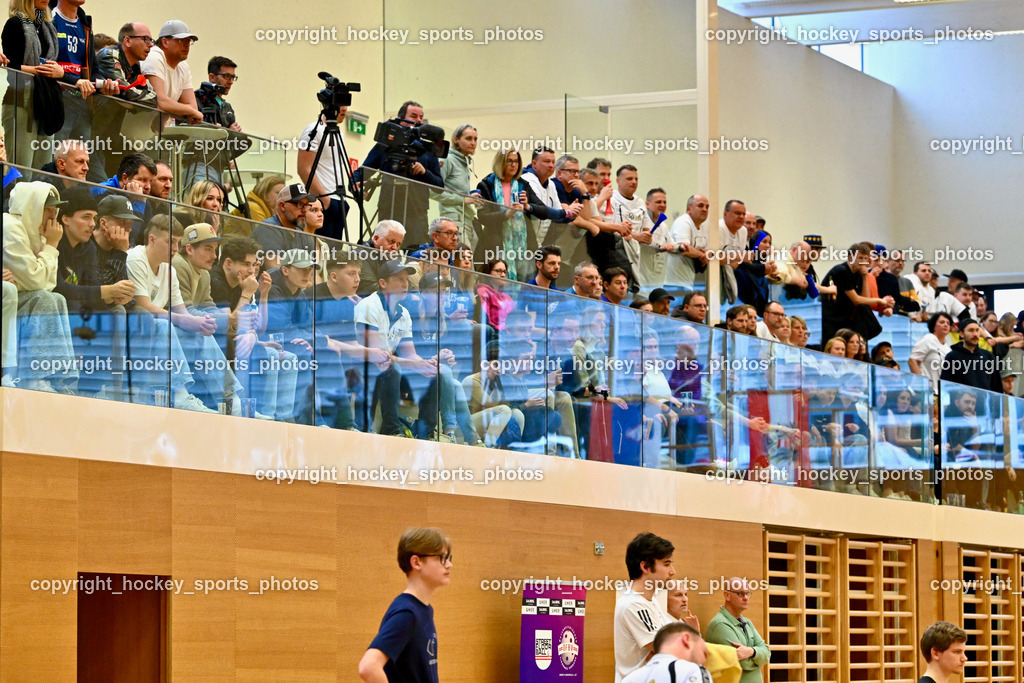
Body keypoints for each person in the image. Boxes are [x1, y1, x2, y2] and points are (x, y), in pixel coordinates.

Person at [2, 181, 79, 392]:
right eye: (48, 210)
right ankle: (34, 376)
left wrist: (33, 274)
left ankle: (60, 377)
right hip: (6, 302)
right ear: (32, 206)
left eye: (55, 210)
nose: (53, 218)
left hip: (17, 300)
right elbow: (38, 281)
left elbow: (48, 284)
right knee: (44, 299)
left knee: (57, 299)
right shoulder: (10, 227)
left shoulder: (35, 233)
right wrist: (52, 247)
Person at [358, 527, 451, 683]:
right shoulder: (407, 613)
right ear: (416, 562)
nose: (449, 564)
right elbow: (368, 667)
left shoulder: (424, 609)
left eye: (449, 557)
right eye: (441, 557)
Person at [352, 101, 443, 246]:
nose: (419, 121)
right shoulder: (386, 145)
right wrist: (354, 185)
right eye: (413, 116)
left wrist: (425, 172)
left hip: (416, 214)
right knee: (384, 253)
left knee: (414, 255)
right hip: (388, 209)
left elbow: (439, 186)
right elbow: (363, 171)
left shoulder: (428, 149)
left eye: (421, 117)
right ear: (401, 119)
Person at [2, 0, 65, 168]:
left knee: (43, 172)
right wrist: (38, 70)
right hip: (21, 99)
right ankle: (10, 195)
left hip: (46, 102)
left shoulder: (49, 28)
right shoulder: (14, 24)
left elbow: (54, 65)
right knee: (22, 170)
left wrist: (57, 72)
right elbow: (9, 64)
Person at [48, 0, 117, 143]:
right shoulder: (49, 18)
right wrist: (73, 80)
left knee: (81, 160)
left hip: (82, 103)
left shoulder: (85, 25)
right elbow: (44, 64)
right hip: (56, 102)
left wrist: (103, 85)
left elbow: (93, 71)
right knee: (56, 159)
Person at [614, 532, 676, 682]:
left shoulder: (651, 601)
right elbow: (668, 649)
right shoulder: (634, 605)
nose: (673, 571)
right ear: (645, 567)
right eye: (667, 564)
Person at [820, 242, 893, 346]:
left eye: (865, 258)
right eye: (860, 258)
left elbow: (865, 299)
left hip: (847, 318)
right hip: (832, 318)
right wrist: (880, 300)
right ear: (851, 258)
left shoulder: (859, 273)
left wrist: (864, 276)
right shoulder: (841, 271)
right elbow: (856, 300)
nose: (863, 262)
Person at [297, 102, 351, 241]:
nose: (344, 108)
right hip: (324, 201)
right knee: (318, 253)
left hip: (338, 200)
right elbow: (303, 169)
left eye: (346, 103)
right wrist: (324, 200)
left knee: (333, 256)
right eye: (341, 104)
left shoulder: (339, 134)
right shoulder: (313, 130)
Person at [704, 578, 770, 683]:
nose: (746, 598)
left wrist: (751, 652)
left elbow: (767, 653)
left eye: (748, 593)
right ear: (727, 595)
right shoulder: (719, 625)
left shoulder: (747, 622)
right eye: (740, 594)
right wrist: (757, 656)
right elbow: (743, 663)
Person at [140, 19, 202, 124]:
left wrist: (187, 110)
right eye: (181, 40)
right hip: (134, 129)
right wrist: (188, 110)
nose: (187, 45)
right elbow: (159, 101)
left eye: (189, 41)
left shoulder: (183, 66)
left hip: (155, 131)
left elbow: (193, 107)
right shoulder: (154, 56)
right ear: (165, 42)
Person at [251, 183, 316, 271]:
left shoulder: (302, 235)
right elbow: (274, 272)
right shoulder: (268, 228)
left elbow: (314, 275)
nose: (304, 210)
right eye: (299, 204)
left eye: (306, 205)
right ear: (282, 206)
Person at [620, 622, 711, 683]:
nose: (705, 662)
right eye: (704, 653)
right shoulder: (692, 670)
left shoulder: (627, 679)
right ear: (686, 639)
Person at [438, 123, 480, 237]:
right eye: (468, 138)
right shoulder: (447, 159)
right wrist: (463, 200)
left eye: (475, 139)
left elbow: (456, 190)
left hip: (466, 218)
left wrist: (470, 196)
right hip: (453, 219)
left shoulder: (465, 162)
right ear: (456, 139)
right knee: (460, 254)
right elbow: (433, 191)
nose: (473, 143)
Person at [940, 318, 1003, 393]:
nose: (975, 334)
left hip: (984, 403)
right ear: (961, 334)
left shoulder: (988, 356)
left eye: (977, 330)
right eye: (971, 330)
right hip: (960, 403)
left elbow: (997, 387)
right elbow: (946, 386)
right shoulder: (952, 357)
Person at [663, 194, 711, 289]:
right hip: (673, 283)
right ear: (689, 209)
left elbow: (706, 252)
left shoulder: (704, 227)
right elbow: (685, 249)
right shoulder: (683, 222)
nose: (705, 209)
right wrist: (702, 255)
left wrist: (706, 254)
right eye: (700, 205)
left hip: (688, 280)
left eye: (707, 207)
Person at [908, 312, 953, 390]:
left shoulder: (948, 348)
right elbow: (912, 361)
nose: (946, 325)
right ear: (934, 326)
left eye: (948, 323)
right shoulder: (928, 339)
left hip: (937, 393)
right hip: (921, 391)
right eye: (942, 322)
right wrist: (922, 384)